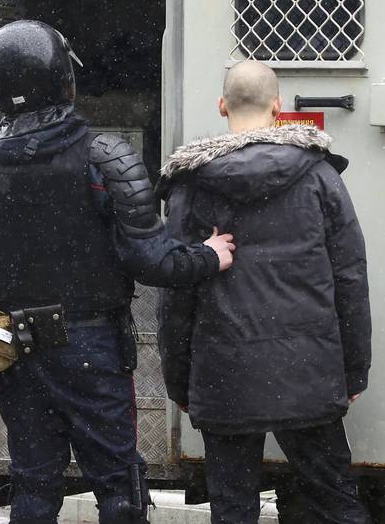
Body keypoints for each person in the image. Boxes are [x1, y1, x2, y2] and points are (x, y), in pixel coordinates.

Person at [0, 19, 235, 524]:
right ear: (63, 79)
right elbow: (151, 261)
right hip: (90, 346)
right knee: (118, 484)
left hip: (12, 343)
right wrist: (209, 254)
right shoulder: (104, 157)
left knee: (33, 483)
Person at [156, 60, 372, 524]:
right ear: (278, 107)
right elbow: (351, 277)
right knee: (336, 502)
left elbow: (176, 294)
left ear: (221, 106)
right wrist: (354, 368)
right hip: (308, 370)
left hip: (224, 373)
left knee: (233, 509)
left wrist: (178, 379)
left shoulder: (190, 186)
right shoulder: (320, 177)